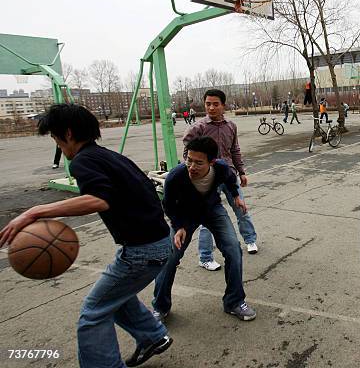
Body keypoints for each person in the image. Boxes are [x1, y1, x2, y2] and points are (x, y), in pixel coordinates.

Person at [0, 104, 173, 368]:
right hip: (158, 242)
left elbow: (98, 200)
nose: (59, 146)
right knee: (115, 295)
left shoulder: (83, 161)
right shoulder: (109, 156)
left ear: (67, 134)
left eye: (56, 139)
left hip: (142, 251)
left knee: (93, 312)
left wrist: (34, 212)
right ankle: (153, 337)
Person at [152, 136, 256, 322]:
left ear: (211, 161)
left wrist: (235, 196)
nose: (192, 166)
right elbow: (167, 205)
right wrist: (178, 226)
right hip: (185, 215)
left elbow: (230, 179)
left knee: (233, 249)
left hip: (212, 210)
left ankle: (234, 302)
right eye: (189, 160)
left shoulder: (221, 167)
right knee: (169, 257)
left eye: (198, 162)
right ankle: (160, 307)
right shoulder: (176, 176)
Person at [183, 89, 259, 272]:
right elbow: (187, 152)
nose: (211, 107)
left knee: (241, 209)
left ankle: (250, 240)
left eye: (215, 104)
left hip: (229, 175)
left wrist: (241, 171)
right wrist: (193, 171)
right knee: (207, 218)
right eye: (208, 104)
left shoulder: (231, 126)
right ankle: (205, 256)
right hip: (208, 179)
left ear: (223, 105)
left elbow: (235, 150)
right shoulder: (198, 128)